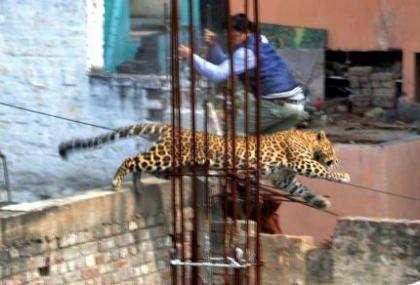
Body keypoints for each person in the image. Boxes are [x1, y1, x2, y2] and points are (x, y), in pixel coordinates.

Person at [179, 13, 309, 135]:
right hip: (295, 105)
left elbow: (217, 73)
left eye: (234, 36)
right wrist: (214, 45)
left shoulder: (245, 52)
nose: (232, 40)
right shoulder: (260, 40)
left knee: (234, 140)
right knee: (265, 147)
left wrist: (190, 56)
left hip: (276, 105)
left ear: (245, 32)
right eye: (228, 36)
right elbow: (230, 64)